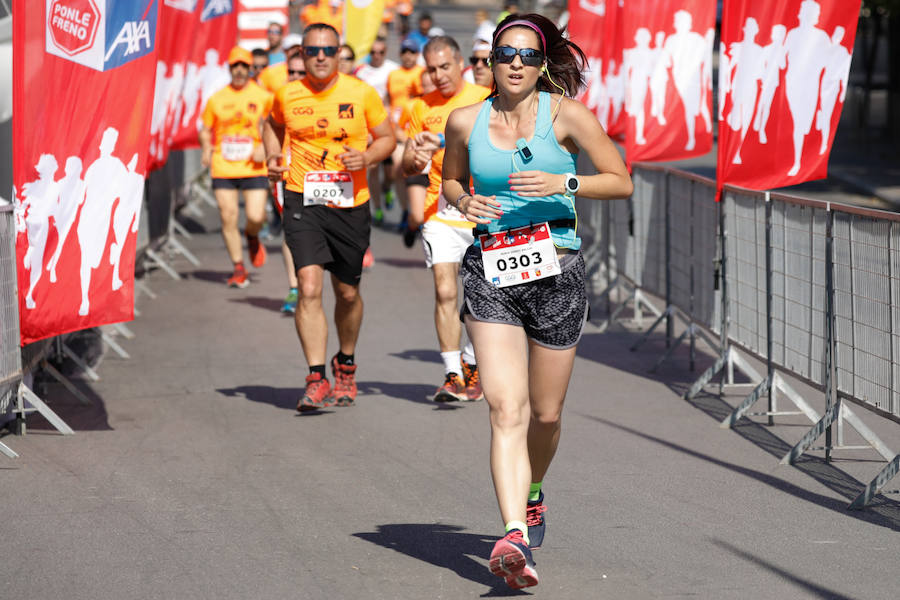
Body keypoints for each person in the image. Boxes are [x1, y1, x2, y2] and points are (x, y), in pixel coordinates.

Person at [441, 14, 632, 589]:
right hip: (491, 269)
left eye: (526, 54)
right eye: (505, 54)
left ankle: (532, 491)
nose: (515, 63)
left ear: (543, 61)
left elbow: (619, 179)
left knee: (545, 415)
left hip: (558, 273)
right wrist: (463, 202)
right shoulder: (464, 121)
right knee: (506, 409)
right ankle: (512, 533)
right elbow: (450, 180)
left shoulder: (566, 116)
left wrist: (562, 184)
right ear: (492, 62)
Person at [263, 23, 395, 410]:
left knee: (348, 292)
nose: (320, 57)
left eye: (328, 50)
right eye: (312, 50)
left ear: (339, 54)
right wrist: (274, 157)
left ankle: (346, 364)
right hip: (303, 198)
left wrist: (367, 157)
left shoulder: (361, 93)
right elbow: (270, 125)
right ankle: (316, 376)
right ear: (301, 55)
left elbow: (388, 137)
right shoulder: (286, 95)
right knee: (307, 286)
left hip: (350, 203)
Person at [402, 35, 489, 403]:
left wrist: (441, 140)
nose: (438, 76)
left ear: (460, 64)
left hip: (483, 210)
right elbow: (408, 168)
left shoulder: (484, 99)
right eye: (432, 69)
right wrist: (415, 153)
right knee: (445, 290)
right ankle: (453, 373)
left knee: (483, 296)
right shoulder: (419, 107)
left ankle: (472, 361)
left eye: (445, 67)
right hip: (441, 211)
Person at [200, 46, 274, 288]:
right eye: (236, 66)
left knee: (256, 215)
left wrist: (266, 147)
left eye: (244, 66)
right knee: (228, 215)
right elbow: (205, 129)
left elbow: (275, 126)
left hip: (253, 165)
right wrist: (205, 147)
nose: (240, 71)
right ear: (230, 68)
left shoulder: (263, 96)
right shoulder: (217, 98)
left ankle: (252, 235)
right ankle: (238, 267)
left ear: (250, 68)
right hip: (224, 165)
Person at [354, 37, 400, 226]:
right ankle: (378, 208)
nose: (377, 56)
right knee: (372, 168)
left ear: (386, 51)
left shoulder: (392, 70)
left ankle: (387, 188)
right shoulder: (362, 72)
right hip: (369, 127)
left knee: (390, 172)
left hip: (388, 126)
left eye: (381, 52)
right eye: (373, 52)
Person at [387, 38, 425, 232]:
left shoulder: (423, 73)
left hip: (423, 132)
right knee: (398, 165)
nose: (408, 56)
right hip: (401, 130)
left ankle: (423, 211)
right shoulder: (393, 74)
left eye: (412, 52)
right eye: (405, 52)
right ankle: (405, 210)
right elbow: (388, 98)